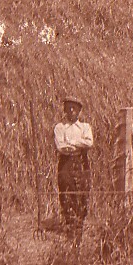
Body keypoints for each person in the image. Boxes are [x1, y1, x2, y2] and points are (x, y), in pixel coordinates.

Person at [52, 96, 94, 244]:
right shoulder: (59, 127)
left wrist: (73, 143)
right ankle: (69, 227)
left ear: (79, 111)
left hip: (82, 162)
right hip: (66, 163)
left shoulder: (85, 127)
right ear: (64, 109)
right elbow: (61, 147)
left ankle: (79, 227)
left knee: (82, 193)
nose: (71, 111)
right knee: (66, 192)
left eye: (74, 108)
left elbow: (89, 142)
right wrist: (75, 146)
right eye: (68, 108)